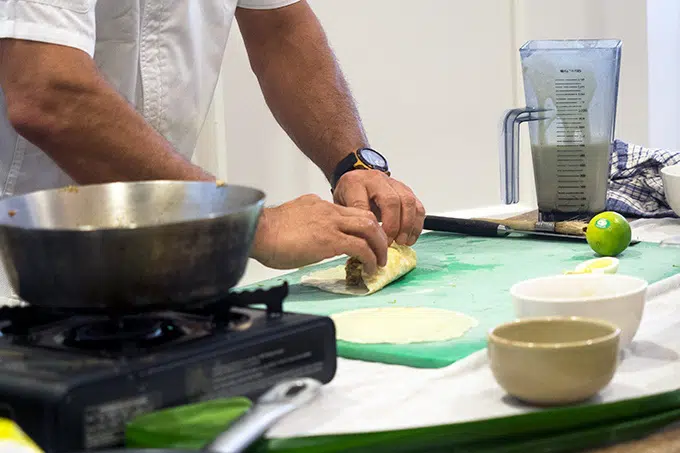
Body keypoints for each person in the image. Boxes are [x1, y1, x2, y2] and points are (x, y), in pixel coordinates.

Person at [0, 0, 425, 290]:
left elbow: (280, 29)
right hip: (19, 270)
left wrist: (352, 163)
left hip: (158, 246)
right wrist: (253, 225)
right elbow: (48, 93)